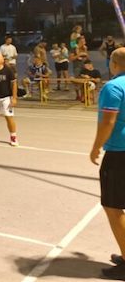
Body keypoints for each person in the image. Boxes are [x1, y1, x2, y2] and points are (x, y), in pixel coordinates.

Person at [89, 48, 125, 280]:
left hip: (119, 153)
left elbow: (108, 121)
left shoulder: (113, 87)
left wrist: (95, 147)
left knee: (113, 207)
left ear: (113, 64)